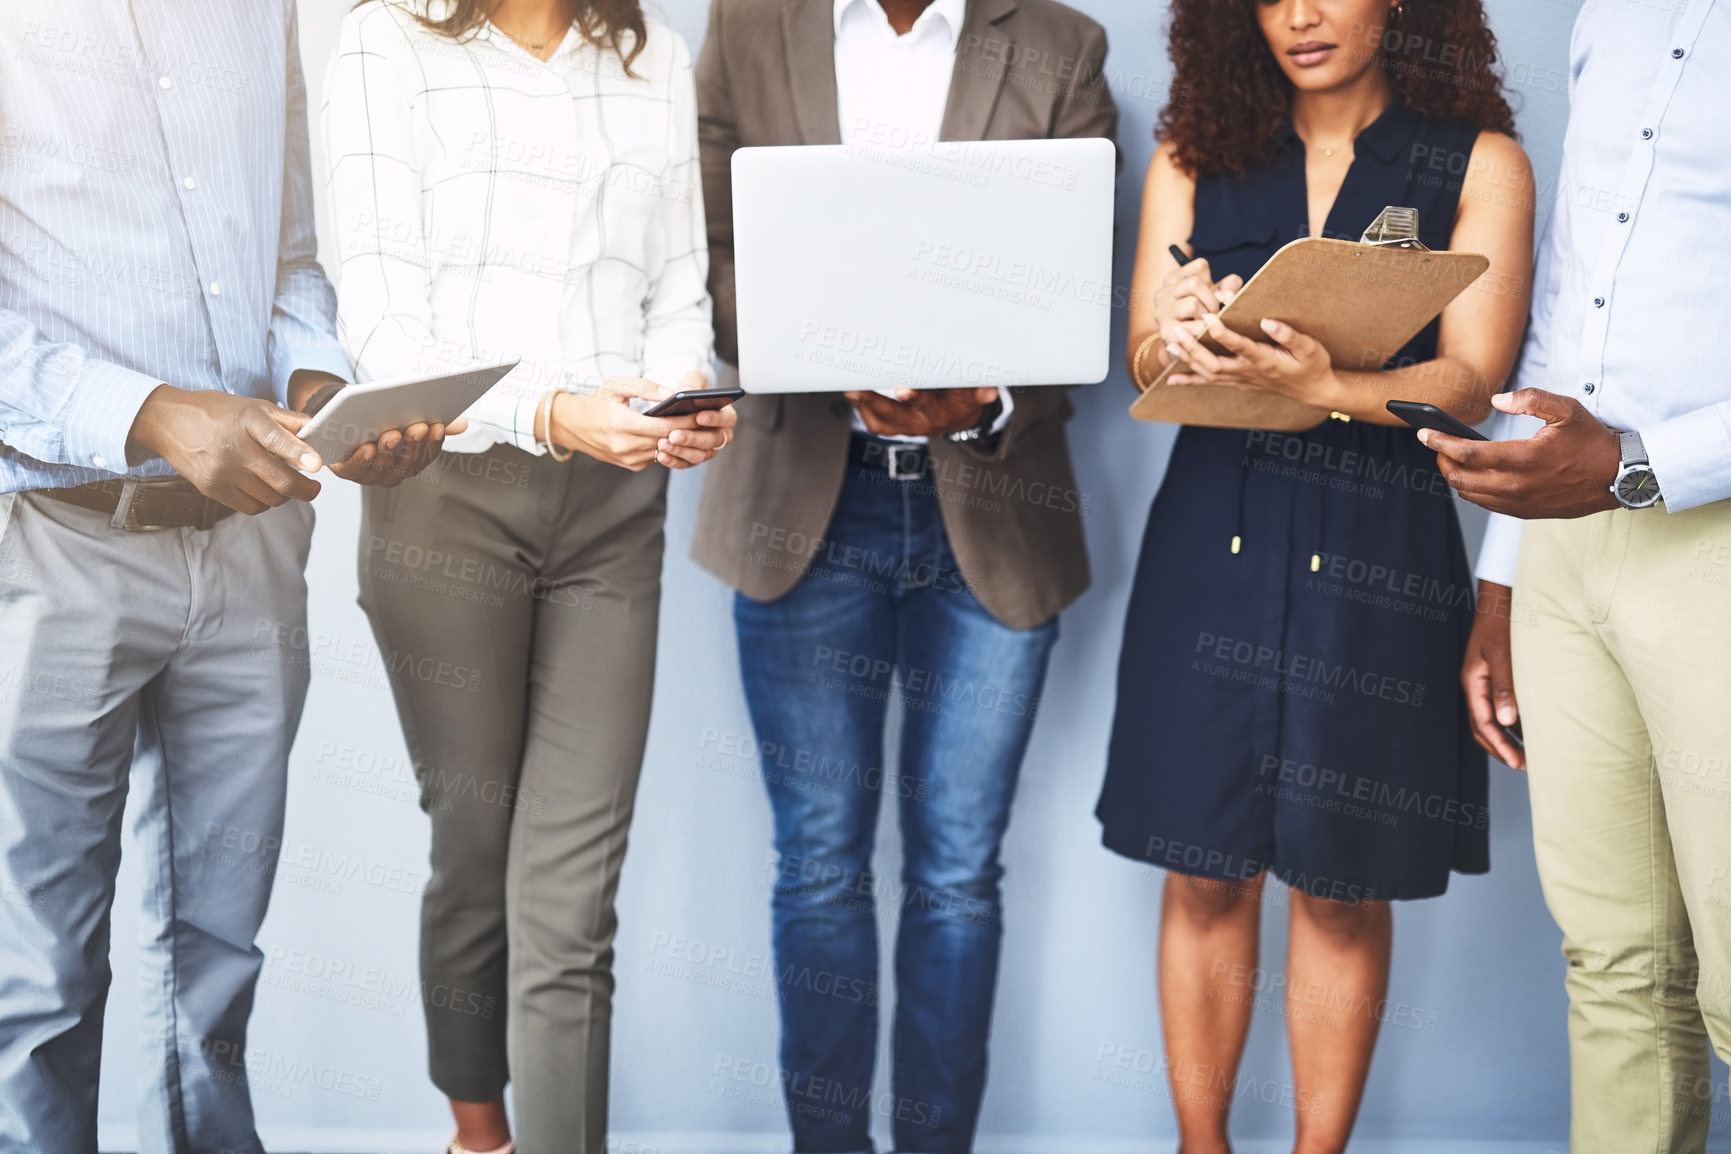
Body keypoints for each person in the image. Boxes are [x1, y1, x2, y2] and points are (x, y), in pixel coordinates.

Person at [0, 3, 453, 1152]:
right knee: (38, 986)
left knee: (213, 967)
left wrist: (318, 393)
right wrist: (148, 410)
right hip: (53, 539)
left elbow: (290, 254)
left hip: (253, 546)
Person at [1096, 1, 1533, 1149]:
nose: (1300, 14)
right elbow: (1146, 348)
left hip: (1381, 547)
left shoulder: (1478, 160)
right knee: (1202, 867)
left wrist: (1322, 386)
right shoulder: (1198, 151)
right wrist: (1175, 333)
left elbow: (1475, 380)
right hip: (1211, 540)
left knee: (1342, 882)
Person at [690, 0, 1114, 1148]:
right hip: (802, 506)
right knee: (819, 865)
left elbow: (1077, 290)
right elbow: (703, 252)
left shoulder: (1064, 46)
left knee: (958, 873)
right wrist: (826, 347)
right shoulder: (749, 27)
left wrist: (978, 397)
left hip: (994, 506)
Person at [324, 2, 732, 1152]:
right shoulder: (384, 43)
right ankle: (479, 1133)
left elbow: (675, 291)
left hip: (614, 508)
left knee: (570, 894)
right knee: (476, 843)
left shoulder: (652, 54)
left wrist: (677, 400)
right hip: (443, 499)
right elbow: (387, 330)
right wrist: (555, 411)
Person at [1423, 1, 1731, 1147]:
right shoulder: (1615, 10)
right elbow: (1569, 296)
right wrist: (1505, 570)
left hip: (1711, 535)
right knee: (1612, 964)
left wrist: (1642, 465)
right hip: (1565, 540)